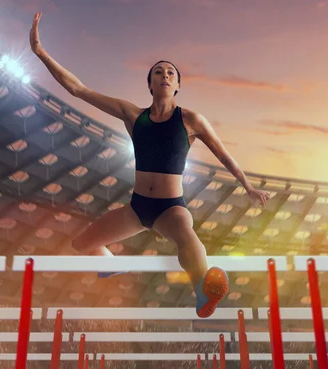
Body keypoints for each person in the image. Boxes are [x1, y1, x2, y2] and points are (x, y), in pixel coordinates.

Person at [29, 12, 271, 318]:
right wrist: (40, 53)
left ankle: (203, 293)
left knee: (187, 238)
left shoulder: (192, 120)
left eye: (171, 72)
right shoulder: (132, 115)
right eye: (159, 72)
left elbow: (224, 155)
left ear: (178, 85)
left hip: (170, 207)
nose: (165, 75)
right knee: (82, 244)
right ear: (150, 84)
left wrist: (247, 186)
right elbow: (78, 89)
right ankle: (109, 268)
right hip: (137, 207)